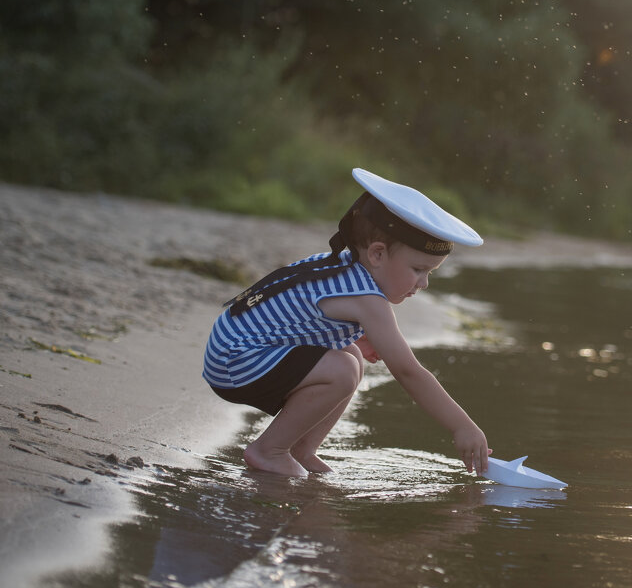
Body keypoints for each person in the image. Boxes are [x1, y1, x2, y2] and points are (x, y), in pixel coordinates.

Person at [203, 168, 491, 478]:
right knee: (342, 369)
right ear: (378, 254)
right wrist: (462, 426)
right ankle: (269, 450)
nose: (423, 284)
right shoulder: (368, 299)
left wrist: (354, 336)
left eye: (429, 273)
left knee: (352, 355)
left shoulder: (345, 263)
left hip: (232, 349)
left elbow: (303, 311)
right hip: (235, 363)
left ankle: (302, 449)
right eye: (418, 269)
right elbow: (409, 372)